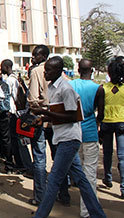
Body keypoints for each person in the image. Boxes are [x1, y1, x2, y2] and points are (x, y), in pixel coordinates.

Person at [32, 56, 106, 218]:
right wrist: (43, 119)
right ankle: (98, 214)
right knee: (81, 180)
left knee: (53, 180)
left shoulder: (66, 89)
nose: (45, 74)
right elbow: (60, 114)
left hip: (69, 139)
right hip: (61, 138)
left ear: (59, 71)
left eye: (48, 71)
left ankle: (40, 215)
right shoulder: (52, 88)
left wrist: (44, 112)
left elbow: (73, 116)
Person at [69, 59, 105, 216]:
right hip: (90, 133)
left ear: (78, 69)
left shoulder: (71, 85)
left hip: (74, 132)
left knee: (79, 170)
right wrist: (96, 124)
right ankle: (88, 211)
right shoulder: (98, 88)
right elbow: (101, 114)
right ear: (92, 70)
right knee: (90, 173)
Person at [27, 45, 50, 205]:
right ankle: (63, 193)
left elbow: (33, 98)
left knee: (40, 158)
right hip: (56, 119)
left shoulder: (36, 71)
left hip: (41, 118)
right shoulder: (59, 71)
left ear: (43, 56)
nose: (32, 58)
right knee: (58, 157)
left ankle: (40, 197)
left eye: (35, 55)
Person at [1, 59, 32, 173]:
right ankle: (23, 163)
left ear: (6, 66)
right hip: (19, 112)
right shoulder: (15, 78)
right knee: (17, 138)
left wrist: (11, 110)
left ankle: (22, 164)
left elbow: (13, 96)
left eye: (2, 66)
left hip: (14, 113)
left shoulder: (10, 80)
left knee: (15, 139)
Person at [99, 58, 124, 199]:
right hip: (122, 122)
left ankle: (108, 178)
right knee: (122, 156)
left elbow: (100, 109)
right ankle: (123, 187)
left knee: (107, 153)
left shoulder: (103, 88)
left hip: (107, 123)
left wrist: (100, 124)